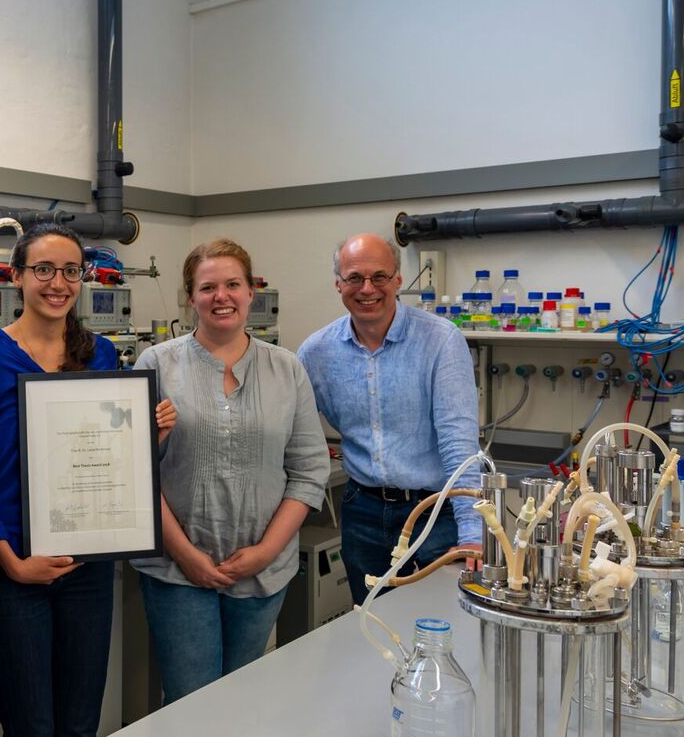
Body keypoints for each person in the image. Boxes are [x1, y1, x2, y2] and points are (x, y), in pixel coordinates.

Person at [0, 223, 176, 737]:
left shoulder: (100, 352)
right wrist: (8, 559)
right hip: (15, 570)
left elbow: (105, 457)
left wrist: (146, 437)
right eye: (43, 270)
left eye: (70, 271)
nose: (57, 283)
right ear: (16, 277)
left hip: (87, 567)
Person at [131, 239, 328, 703]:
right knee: (189, 702)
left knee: (243, 702)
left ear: (251, 292)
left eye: (233, 285)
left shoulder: (287, 369)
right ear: (191, 297)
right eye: (208, 287)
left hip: (262, 572)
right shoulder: (157, 365)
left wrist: (264, 552)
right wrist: (186, 555)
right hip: (177, 570)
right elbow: (137, 472)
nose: (222, 296)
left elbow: (308, 470)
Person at [297, 233, 482, 605]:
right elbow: (288, 432)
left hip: (435, 512)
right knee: (371, 622)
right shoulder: (316, 352)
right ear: (338, 284)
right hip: (362, 513)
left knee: (441, 621)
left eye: (379, 276)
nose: (367, 289)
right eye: (354, 278)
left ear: (398, 279)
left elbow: (458, 441)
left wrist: (472, 532)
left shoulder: (441, 341)